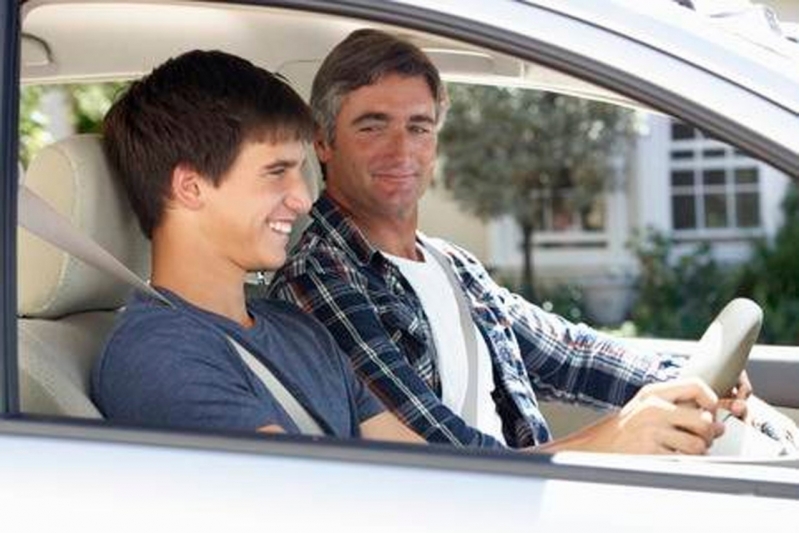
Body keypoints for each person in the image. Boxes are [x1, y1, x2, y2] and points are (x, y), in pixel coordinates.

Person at [268, 29, 751, 454]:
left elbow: (569, 354)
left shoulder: (450, 264)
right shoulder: (320, 278)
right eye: (373, 126)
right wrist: (614, 439)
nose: (402, 150)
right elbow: (446, 463)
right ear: (324, 142)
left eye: (419, 127)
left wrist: (688, 379)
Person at [92, 49, 422, 444]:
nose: (303, 199)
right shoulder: (160, 356)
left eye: (300, 171)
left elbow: (425, 465)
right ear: (190, 187)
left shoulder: (297, 328)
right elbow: (306, 499)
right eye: (276, 171)